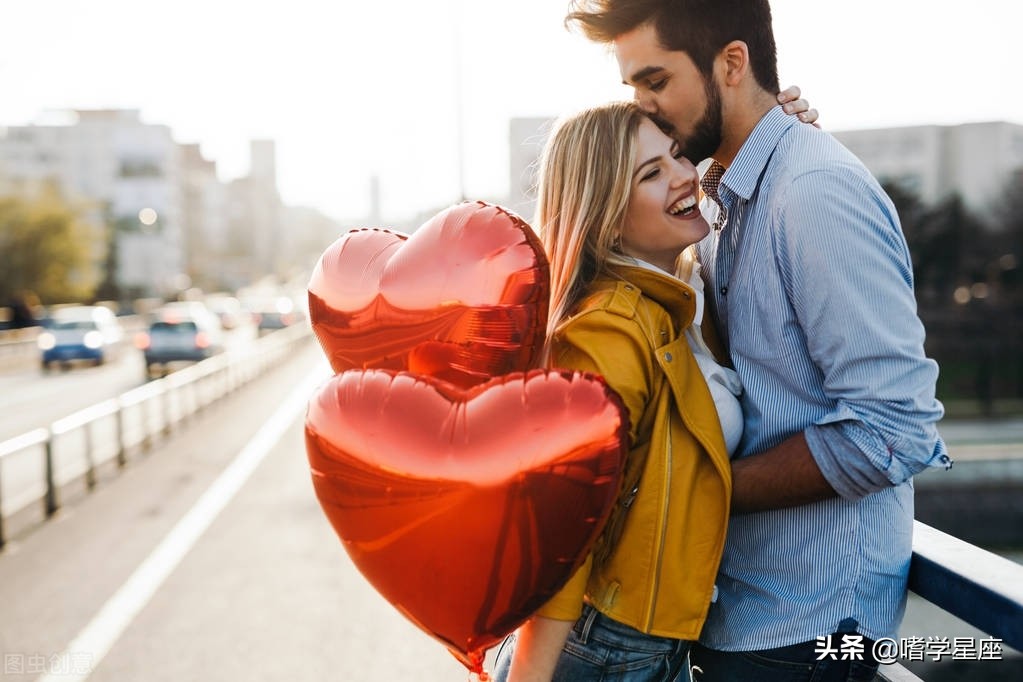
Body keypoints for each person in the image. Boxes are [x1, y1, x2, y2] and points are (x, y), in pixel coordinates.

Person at [564, 2, 950, 681]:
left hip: (807, 628)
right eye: (633, 89)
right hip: (735, 610)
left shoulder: (812, 191)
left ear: (731, 64)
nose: (645, 108)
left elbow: (893, 429)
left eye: (655, 81)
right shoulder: (723, 197)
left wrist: (693, 494)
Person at [493, 92, 817, 682]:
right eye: (651, 172)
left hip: (643, 647)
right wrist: (530, 676)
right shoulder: (609, 331)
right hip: (599, 651)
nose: (683, 175)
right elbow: (563, 526)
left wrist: (782, 142)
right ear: (606, 212)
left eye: (676, 155)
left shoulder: (676, 303)